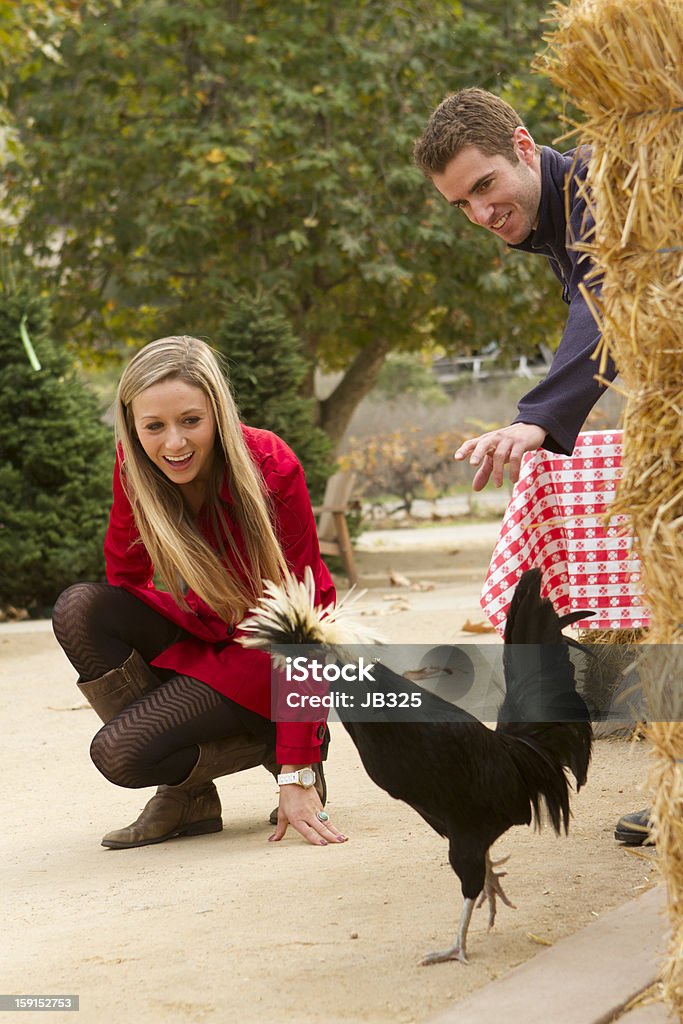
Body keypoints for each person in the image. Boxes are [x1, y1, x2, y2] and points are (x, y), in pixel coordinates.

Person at [412, 87, 647, 846]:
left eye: (484, 186)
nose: (480, 213)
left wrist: (536, 418)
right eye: (461, 204)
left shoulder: (595, 184)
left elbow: (605, 301)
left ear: (521, 145)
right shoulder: (549, 223)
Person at [53, 335, 346, 850]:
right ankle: (192, 797)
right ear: (132, 425)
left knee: (119, 754)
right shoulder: (137, 468)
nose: (174, 444)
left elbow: (307, 617)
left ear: (217, 412)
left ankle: (284, 748)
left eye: (191, 420)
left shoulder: (270, 465)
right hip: (208, 632)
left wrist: (298, 767)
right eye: (154, 426)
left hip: (268, 654)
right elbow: (126, 580)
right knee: (81, 608)